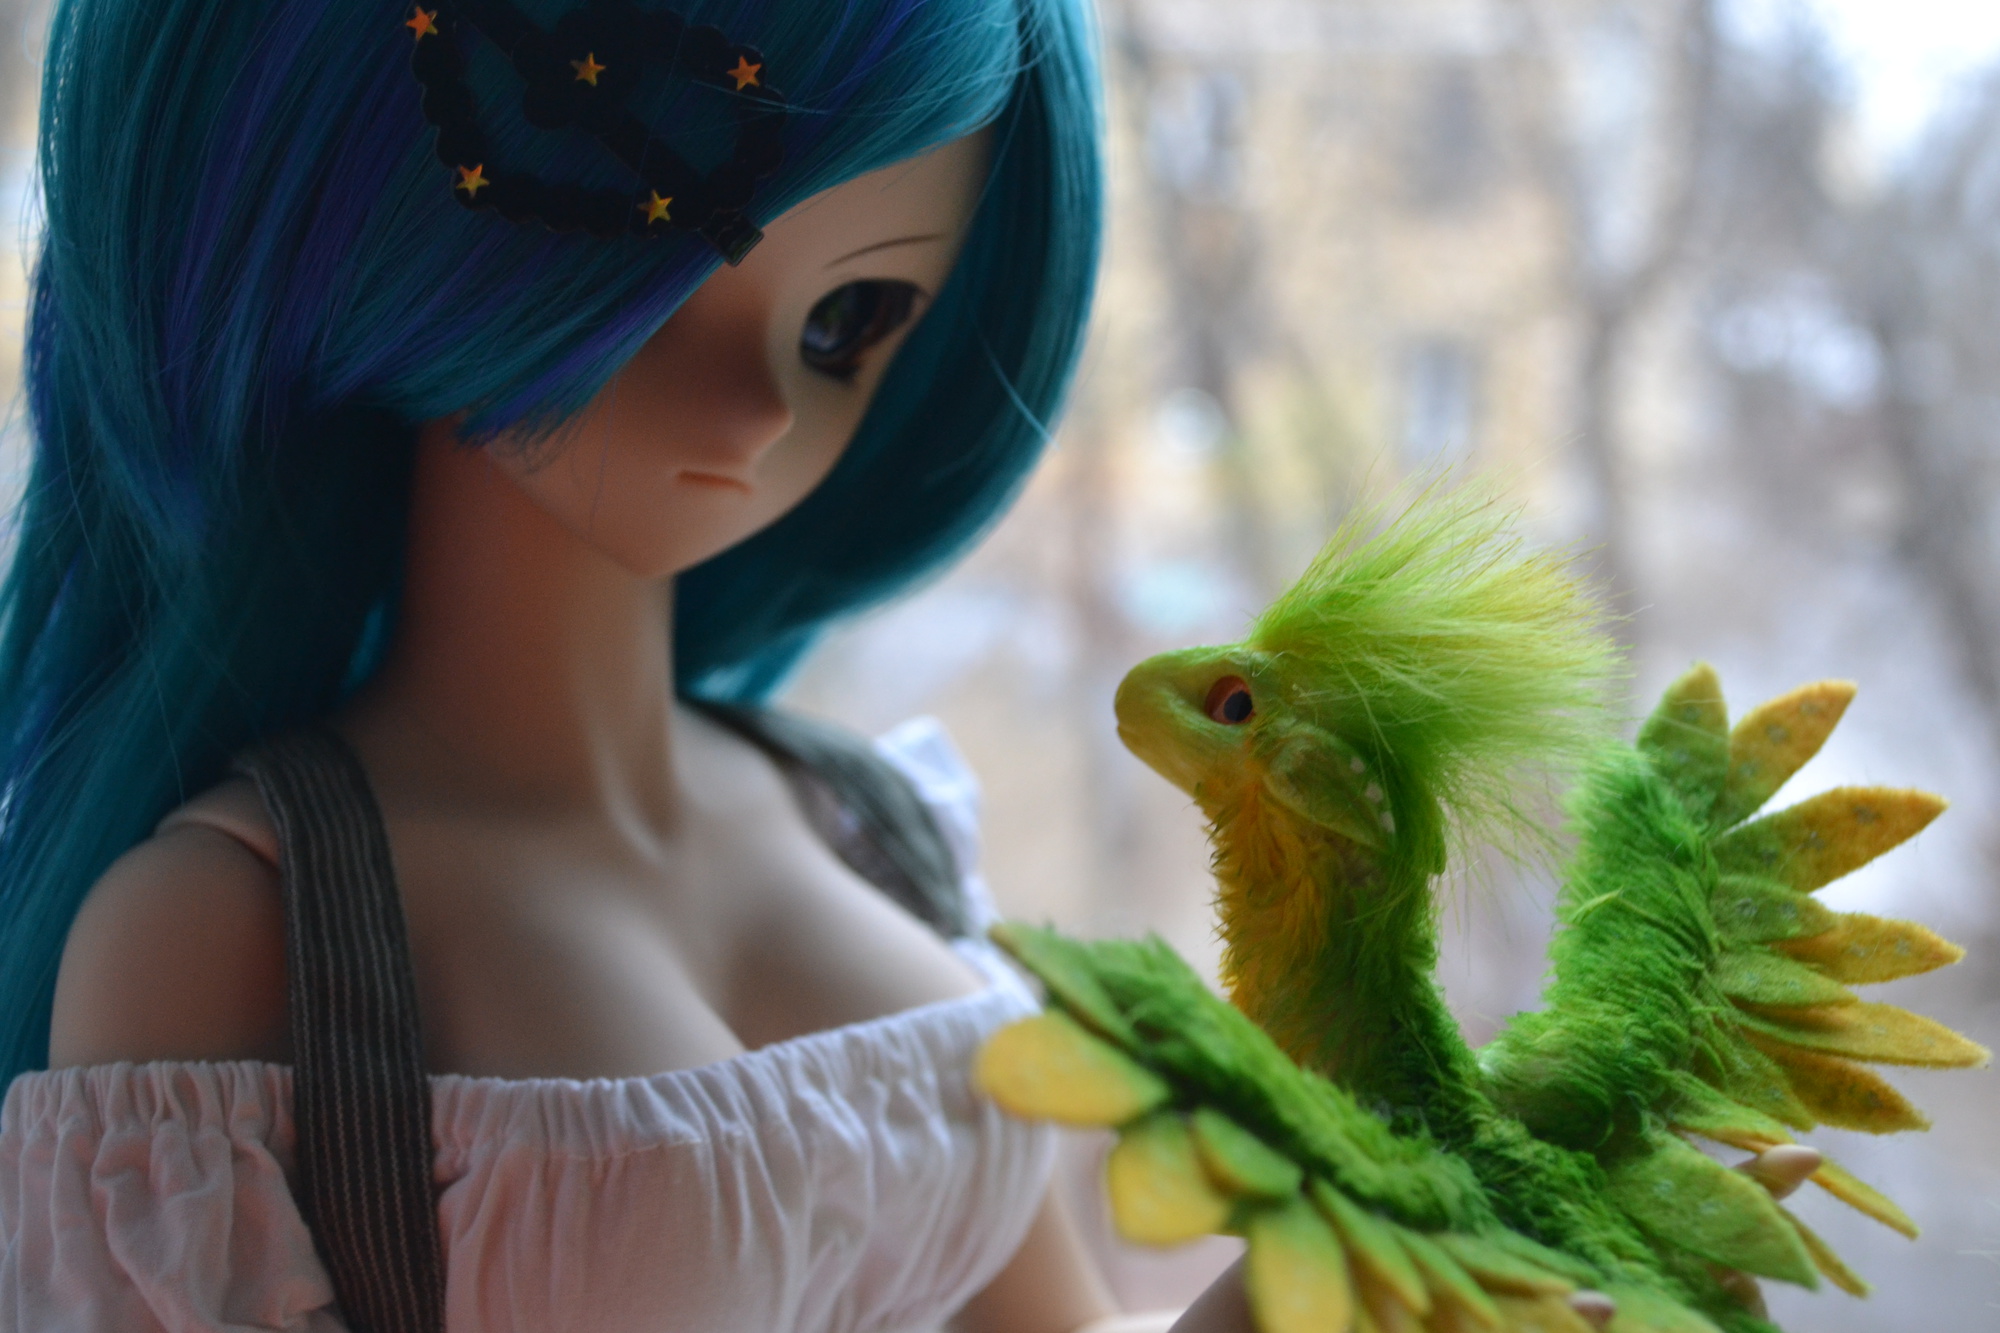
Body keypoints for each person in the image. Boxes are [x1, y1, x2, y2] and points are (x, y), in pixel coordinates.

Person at [0, 0, 1260, 1328]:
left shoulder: (870, 828)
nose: (759, 410)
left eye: (845, 322)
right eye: (650, 288)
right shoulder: (236, 925)